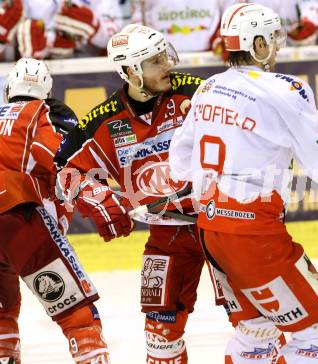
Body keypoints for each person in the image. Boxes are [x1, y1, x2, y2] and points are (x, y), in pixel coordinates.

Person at [168, 3, 318, 362]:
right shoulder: (286, 90)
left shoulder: (208, 87)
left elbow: (179, 164)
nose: (278, 44)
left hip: (210, 231)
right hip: (253, 235)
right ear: (256, 44)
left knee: (256, 331)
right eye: (272, 38)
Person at [53, 24, 206, 364]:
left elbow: (245, 118)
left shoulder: (196, 93)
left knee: (256, 326)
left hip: (222, 224)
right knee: (159, 337)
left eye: (165, 56)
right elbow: (64, 171)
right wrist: (96, 196)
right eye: (155, 61)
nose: (166, 65)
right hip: (167, 235)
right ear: (131, 72)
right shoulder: (102, 121)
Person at [0, 58, 110, 364]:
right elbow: (65, 163)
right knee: (80, 316)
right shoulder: (48, 111)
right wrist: (100, 199)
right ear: (47, 90)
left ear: (10, 89)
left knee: (3, 311)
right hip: (17, 218)